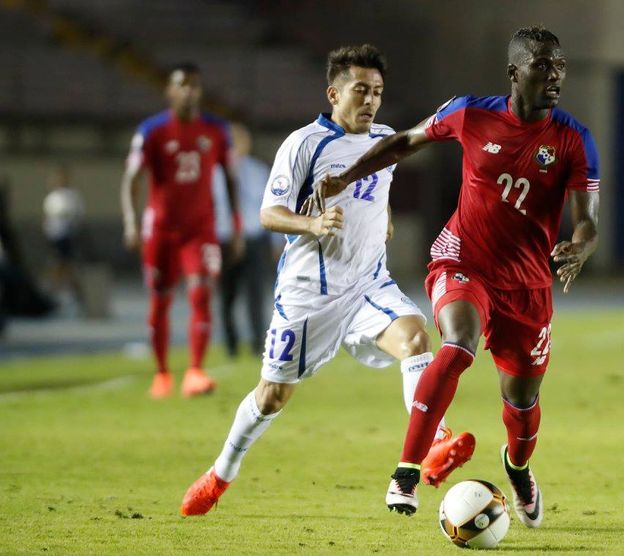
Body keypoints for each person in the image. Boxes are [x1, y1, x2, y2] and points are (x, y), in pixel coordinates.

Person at [315, 26, 601, 525]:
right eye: (542, 66)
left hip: (528, 283)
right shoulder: (470, 112)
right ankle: (406, 472)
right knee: (458, 343)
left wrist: (578, 247)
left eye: (559, 66)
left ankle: (517, 467)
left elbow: (588, 221)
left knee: (523, 399)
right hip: (463, 259)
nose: (555, 76)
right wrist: (346, 175)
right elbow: (404, 142)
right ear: (515, 73)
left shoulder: (574, 139)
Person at [180, 44, 475, 517]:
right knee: (272, 396)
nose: (371, 101)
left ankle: (436, 444)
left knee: (418, 337)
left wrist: (385, 219)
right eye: (361, 90)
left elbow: (377, 187)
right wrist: (312, 224)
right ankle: (219, 474)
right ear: (333, 93)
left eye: (377, 92)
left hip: (367, 286)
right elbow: (269, 213)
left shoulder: (383, 138)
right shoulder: (304, 144)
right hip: (308, 296)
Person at [120, 63, 245, 399]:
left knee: (201, 294)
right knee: (160, 300)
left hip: (200, 229)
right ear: (170, 91)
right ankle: (161, 374)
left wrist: (235, 225)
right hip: (160, 229)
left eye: (194, 85)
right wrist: (131, 222)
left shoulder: (217, 130)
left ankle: (195, 372)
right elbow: (131, 178)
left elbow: (231, 179)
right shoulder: (152, 130)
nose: (189, 91)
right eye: (182, 85)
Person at [212, 122, 272, 357]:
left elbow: (271, 205)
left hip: (254, 238)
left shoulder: (258, 171)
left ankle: (258, 343)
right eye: (232, 141)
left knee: (256, 294)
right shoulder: (214, 172)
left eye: (241, 140)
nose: (237, 146)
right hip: (224, 240)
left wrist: (277, 241)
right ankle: (231, 345)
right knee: (227, 296)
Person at [42, 165, 85, 311]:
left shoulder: (72, 196)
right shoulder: (52, 197)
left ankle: (78, 294)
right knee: (57, 265)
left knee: (67, 265)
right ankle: (54, 295)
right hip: (54, 236)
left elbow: (77, 215)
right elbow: (48, 217)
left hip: (67, 236)